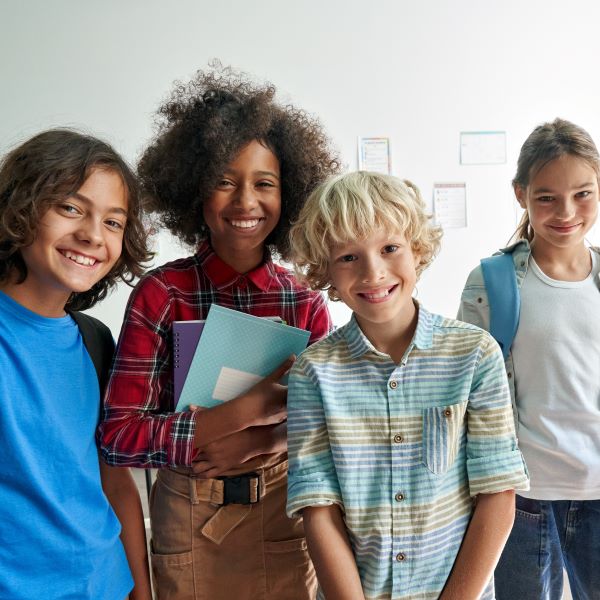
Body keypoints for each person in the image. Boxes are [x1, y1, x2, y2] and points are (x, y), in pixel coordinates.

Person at [99, 65, 339, 599]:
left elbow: (334, 425)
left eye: (264, 183)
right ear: (193, 193)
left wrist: (267, 438)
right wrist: (230, 421)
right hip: (188, 521)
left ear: (290, 192)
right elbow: (118, 437)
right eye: (223, 181)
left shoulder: (304, 302)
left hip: (282, 518)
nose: (245, 201)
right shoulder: (162, 294)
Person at [286, 171, 529, 600]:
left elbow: (497, 493)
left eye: (390, 248)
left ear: (416, 250)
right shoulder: (313, 372)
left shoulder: (475, 355)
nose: (373, 272)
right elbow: (318, 509)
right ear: (326, 270)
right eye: (348, 257)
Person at [0, 129, 153, 600]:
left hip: (104, 584)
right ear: (20, 207)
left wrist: (142, 592)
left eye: (113, 221)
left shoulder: (96, 341)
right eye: (70, 208)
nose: (91, 234)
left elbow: (113, 480)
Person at [458, 118, 600, 600]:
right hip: (520, 495)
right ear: (521, 194)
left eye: (583, 194)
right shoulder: (491, 282)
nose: (566, 212)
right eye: (547, 197)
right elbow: (468, 393)